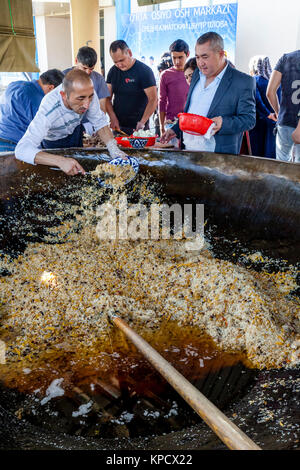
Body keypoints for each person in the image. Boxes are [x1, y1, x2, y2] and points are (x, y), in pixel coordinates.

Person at [15, 69, 127, 175]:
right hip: (53, 141)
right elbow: (21, 149)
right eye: (80, 99)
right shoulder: (49, 109)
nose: (87, 104)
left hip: (74, 133)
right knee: (57, 176)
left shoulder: (87, 92)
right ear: (64, 95)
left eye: (90, 97)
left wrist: (113, 148)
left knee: (79, 170)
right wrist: (60, 161)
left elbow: (100, 123)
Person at [161, 32, 256, 155]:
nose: (200, 63)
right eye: (197, 57)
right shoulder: (196, 75)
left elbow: (249, 120)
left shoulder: (243, 81)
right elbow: (192, 111)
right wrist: (176, 128)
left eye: (205, 57)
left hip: (218, 158)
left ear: (221, 54)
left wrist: (224, 123)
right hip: (188, 152)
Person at [0, 69, 64, 152]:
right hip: (14, 145)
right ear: (51, 88)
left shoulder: (15, 84)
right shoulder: (37, 100)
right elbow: (42, 131)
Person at [106, 40, 157, 135]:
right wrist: (112, 118)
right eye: (115, 62)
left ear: (129, 53)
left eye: (121, 60)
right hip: (119, 126)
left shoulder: (144, 71)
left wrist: (143, 121)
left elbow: (153, 99)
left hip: (139, 127)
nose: (119, 65)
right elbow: (107, 99)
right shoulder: (113, 71)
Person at [63, 46, 115, 127]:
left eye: (91, 69)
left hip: (89, 124)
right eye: (84, 68)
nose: (87, 72)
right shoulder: (63, 76)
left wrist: (98, 126)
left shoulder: (99, 79)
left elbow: (102, 107)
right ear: (76, 60)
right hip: (67, 123)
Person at [266, 49, 300, 162]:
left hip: (285, 120)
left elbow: (270, 92)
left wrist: (278, 113)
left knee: (282, 166)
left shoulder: (286, 58)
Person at [248, 55, 279, 158]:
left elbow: (257, 100)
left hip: (259, 122)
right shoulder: (275, 82)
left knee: (256, 154)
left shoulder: (254, 80)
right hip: (274, 121)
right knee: (270, 153)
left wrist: (267, 114)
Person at [158, 39, 190, 136]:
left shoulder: (195, 73)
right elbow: (161, 101)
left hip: (190, 122)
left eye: (180, 57)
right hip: (171, 123)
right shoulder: (165, 75)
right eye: (174, 57)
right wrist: (161, 126)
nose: (177, 61)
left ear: (187, 54)